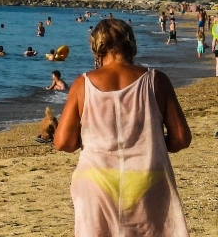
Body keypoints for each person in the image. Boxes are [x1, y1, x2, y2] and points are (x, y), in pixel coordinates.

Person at [55, 18, 190, 236]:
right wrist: (150, 142)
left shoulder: (83, 84)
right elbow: (181, 139)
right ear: (131, 44)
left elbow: (64, 143)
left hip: (96, 182)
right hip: (147, 180)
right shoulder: (156, 80)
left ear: (96, 48)